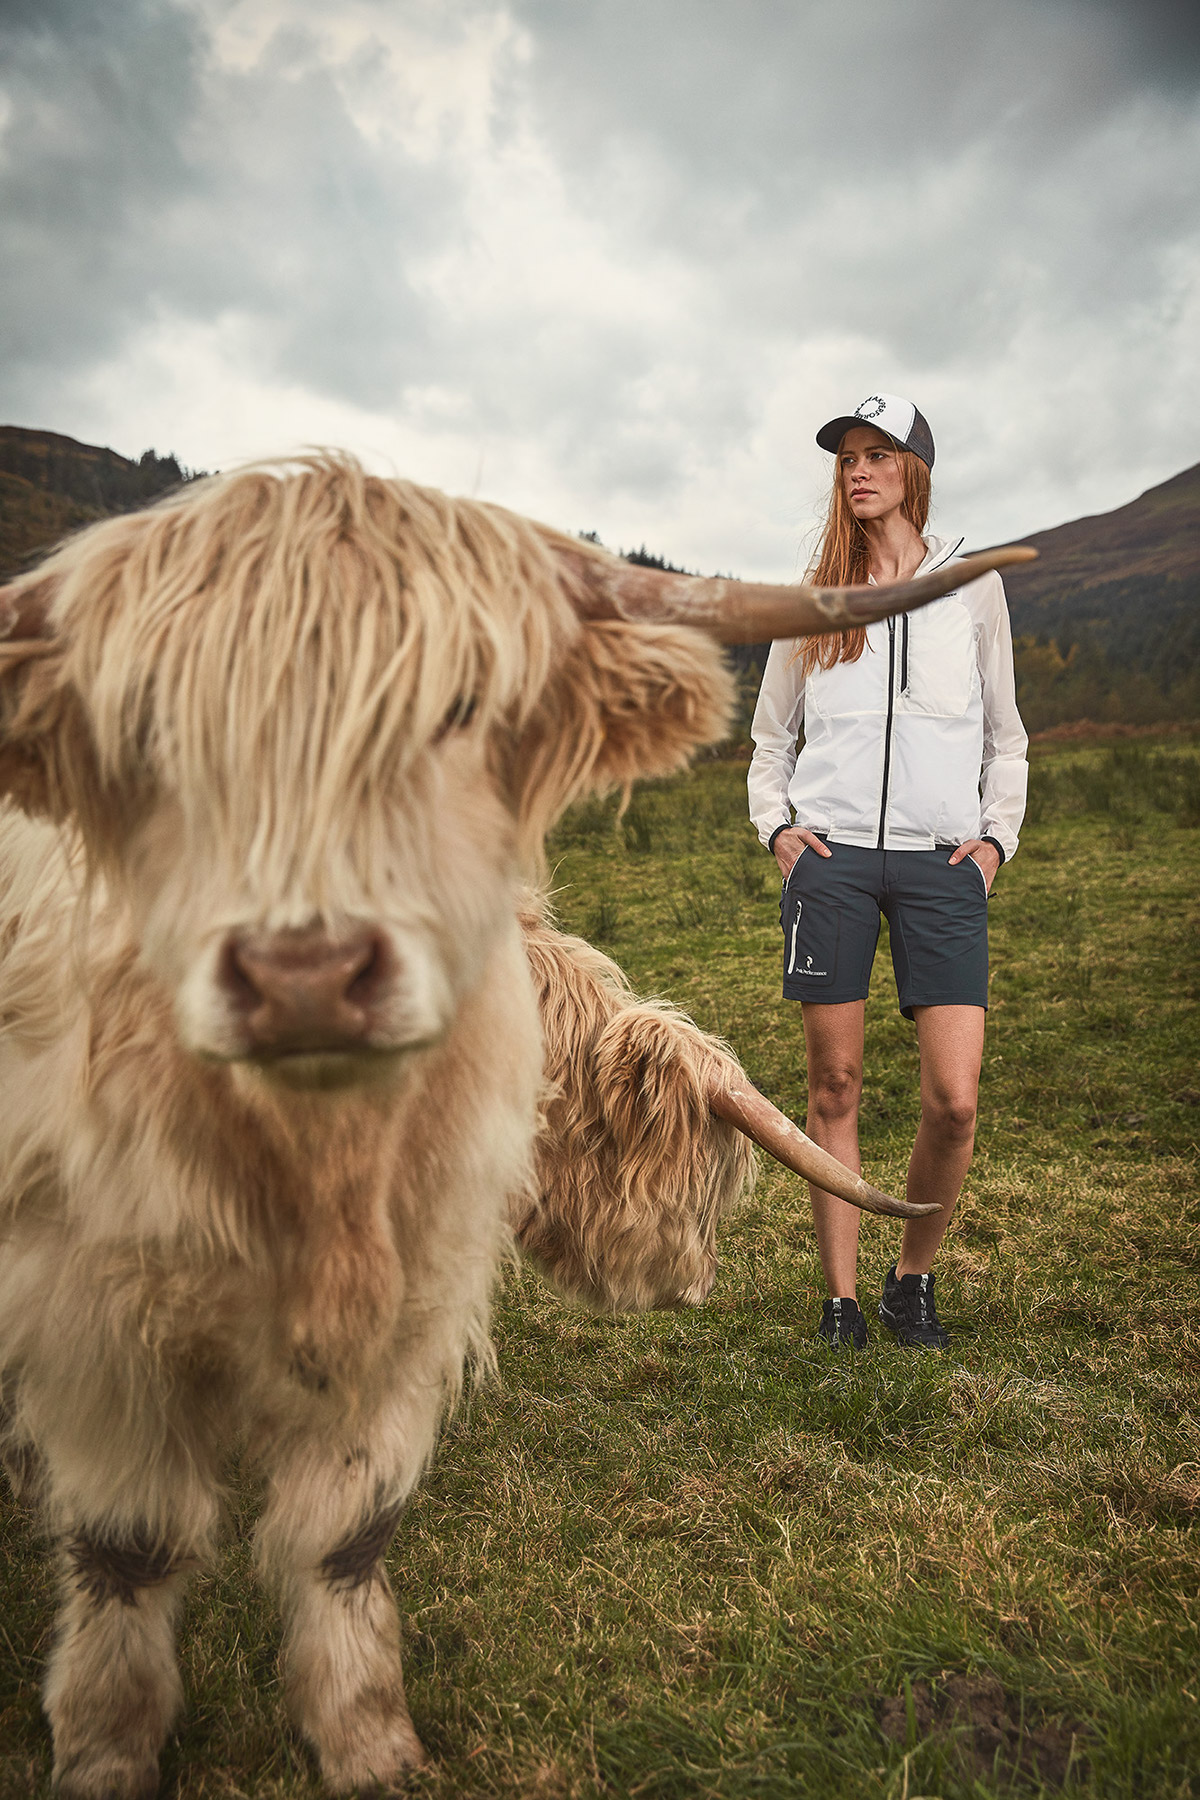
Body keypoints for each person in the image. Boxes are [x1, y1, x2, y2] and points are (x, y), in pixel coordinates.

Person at [747, 392, 1027, 1350]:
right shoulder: (817, 593)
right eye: (846, 459)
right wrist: (778, 829)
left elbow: (1006, 734)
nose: (858, 470)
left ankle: (912, 1278)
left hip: (942, 864)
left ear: (915, 469)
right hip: (832, 866)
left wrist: (995, 841)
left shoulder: (972, 585)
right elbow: (769, 738)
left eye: (878, 455)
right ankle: (841, 1302)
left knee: (953, 1100)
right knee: (835, 1088)